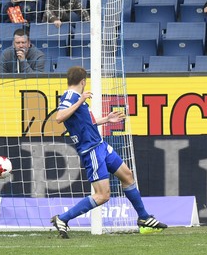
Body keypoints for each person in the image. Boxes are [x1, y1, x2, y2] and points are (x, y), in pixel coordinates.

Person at [50, 66, 167, 239]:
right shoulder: (70, 96)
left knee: (127, 176)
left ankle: (144, 218)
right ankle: (63, 219)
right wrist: (80, 100)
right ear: (83, 81)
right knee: (103, 195)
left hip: (101, 146)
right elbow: (59, 117)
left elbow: (85, 123)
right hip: (91, 150)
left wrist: (106, 119)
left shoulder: (76, 98)